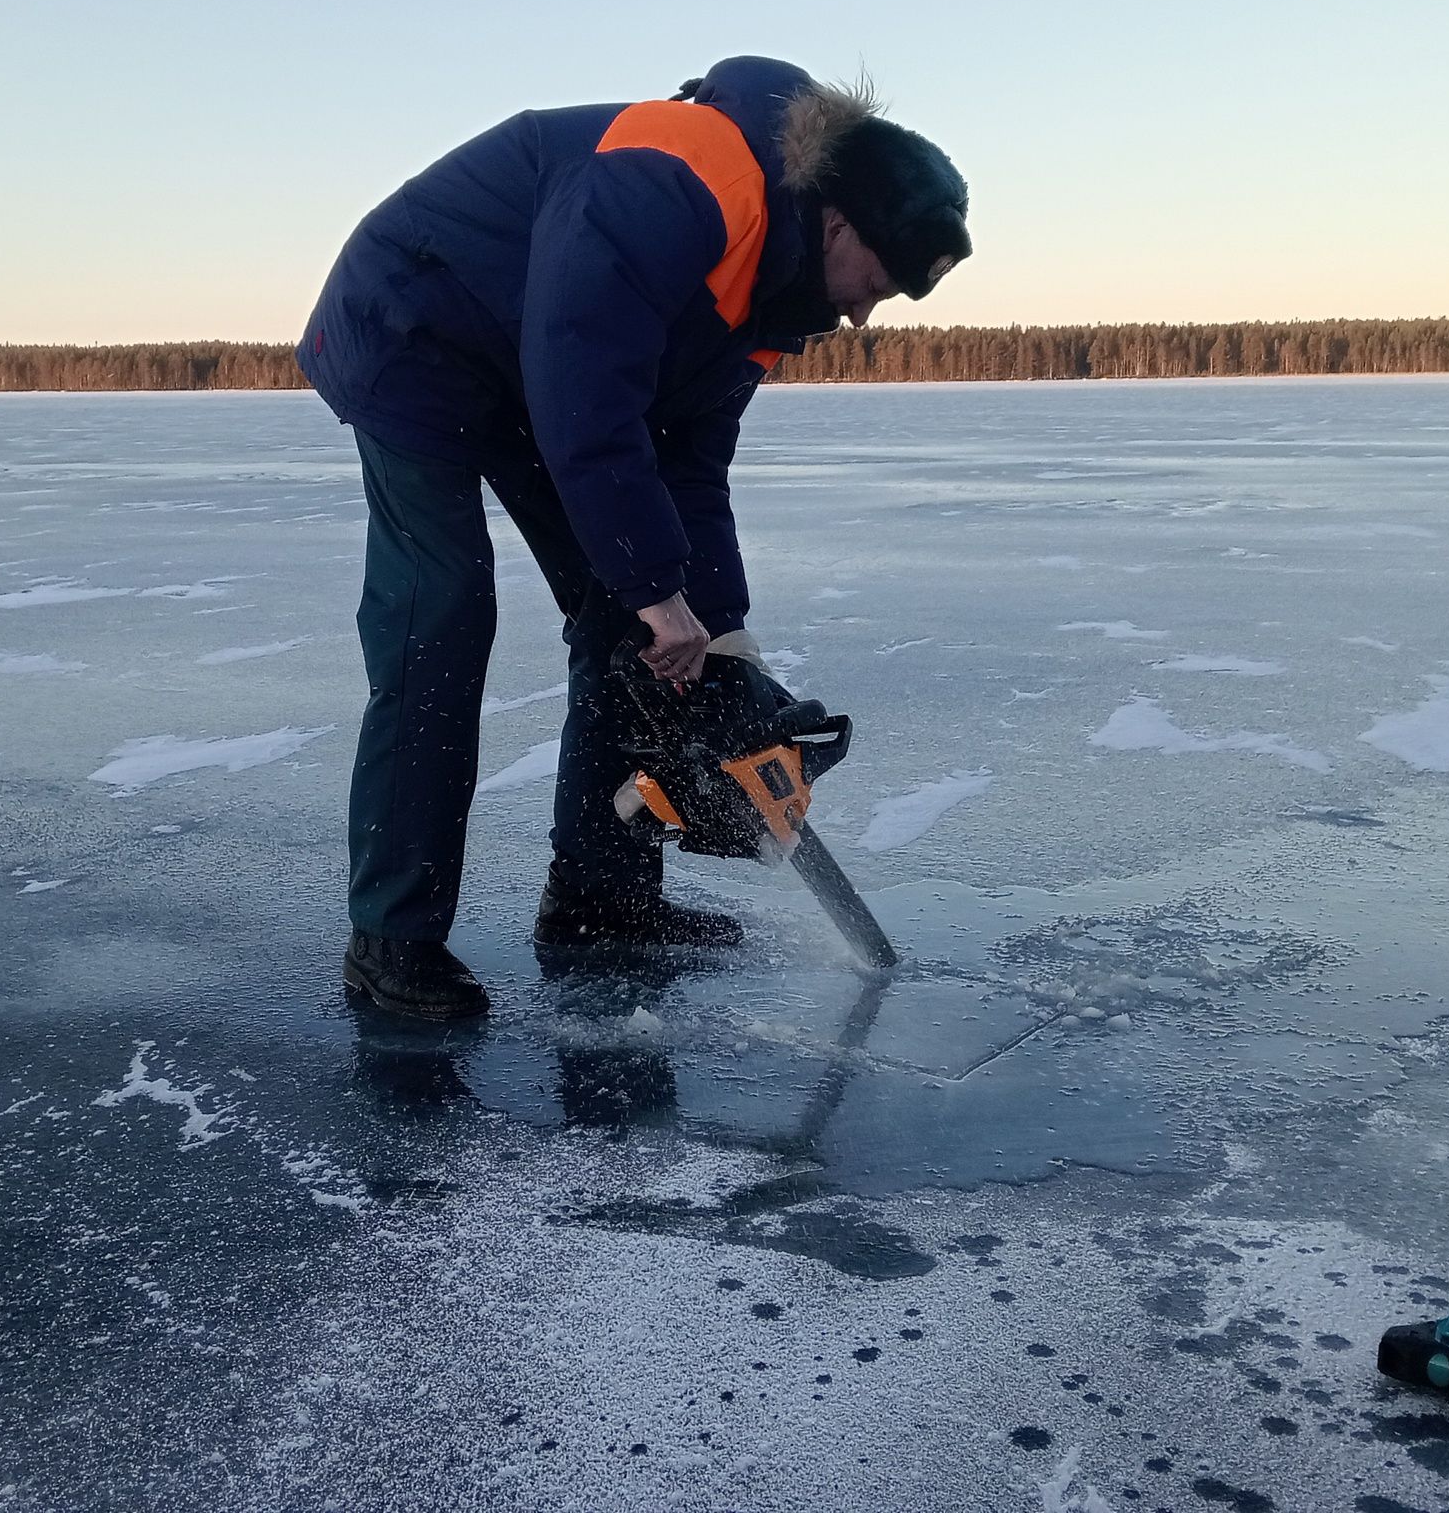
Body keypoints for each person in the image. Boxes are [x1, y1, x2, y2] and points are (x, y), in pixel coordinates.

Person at [297, 56, 968, 1020]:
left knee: (640, 631)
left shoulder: (781, 293)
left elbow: (688, 464)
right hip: (413, 325)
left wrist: (716, 635)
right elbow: (583, 380)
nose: (866, 311)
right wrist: (659, 589)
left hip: (536, 370)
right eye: (878, 280)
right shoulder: (679, 178)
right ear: (839, 223)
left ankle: (599, 903)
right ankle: (392, 941)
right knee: (438, 615)